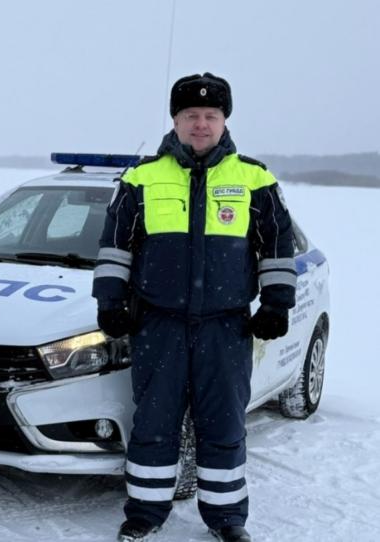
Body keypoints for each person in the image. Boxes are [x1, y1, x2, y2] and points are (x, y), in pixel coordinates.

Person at [93, 72, 296, 542]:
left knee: (224, 424)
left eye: (210, 115)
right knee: (154, 423)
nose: (200, 124)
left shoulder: (255, 178)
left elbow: (276, 247)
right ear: (175, 120)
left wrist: (276, 304)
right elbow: (115, 247)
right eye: (190, 115)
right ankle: (145, 513)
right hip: (158, 324)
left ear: (224, 121)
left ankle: (226, 519)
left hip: (225, 328)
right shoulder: (141, 178)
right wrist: (110, 302)